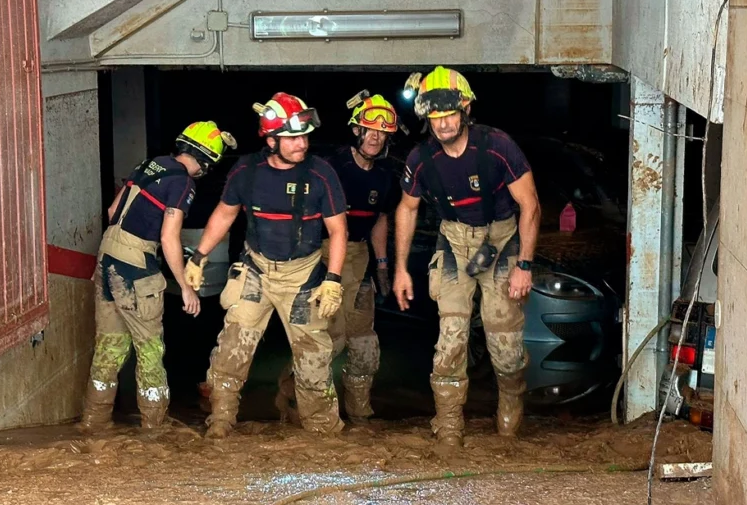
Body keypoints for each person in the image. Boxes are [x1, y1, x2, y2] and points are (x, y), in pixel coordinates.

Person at [185, 92, 348, 439]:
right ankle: (220, 424)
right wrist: (198, 256)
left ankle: (322, 432)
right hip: (256, 270)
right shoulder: (246, 170)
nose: (302, 143)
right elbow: (225, 214)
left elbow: (338, 230)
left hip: (303, 276)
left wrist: (332, 279)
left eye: (304, 135)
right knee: (232, 348)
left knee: (314, 360)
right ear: (271, 140)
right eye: (292, 138)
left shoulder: (321, 174)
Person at [393, 66, 541, 447]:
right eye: (435, 117)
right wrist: (400, 270)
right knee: (451, 338)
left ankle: (510, 408)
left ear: (466, 109)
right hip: (455, 244)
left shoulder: (497, 146)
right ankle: (449, 427)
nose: (443, 125)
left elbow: (531, 206)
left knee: (504, 344)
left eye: (449, 115)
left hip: (502, 239)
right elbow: (406, 210)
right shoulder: (422, 158)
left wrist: (524, 265)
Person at [78, 121, 237, 432]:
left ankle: (94, 424)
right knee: (150, 348)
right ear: (206, 161)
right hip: (136, 268)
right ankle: (156, 429)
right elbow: (169, 237)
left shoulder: (149, 164)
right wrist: (185, 287)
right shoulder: (182, 183)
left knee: (109, 348)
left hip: (107, 258)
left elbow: (112, 211)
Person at [274, 91, 403, 426]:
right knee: (323, 337)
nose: (375, 136)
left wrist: (384, 265)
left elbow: (379, 219)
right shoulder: (329, 166)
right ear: (356, 130)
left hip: (359, 256)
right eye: (368, 128)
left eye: (382, 131)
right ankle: (291, 400)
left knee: (363, 341)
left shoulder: (385, 176)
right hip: (324, 253)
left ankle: (359, 415)